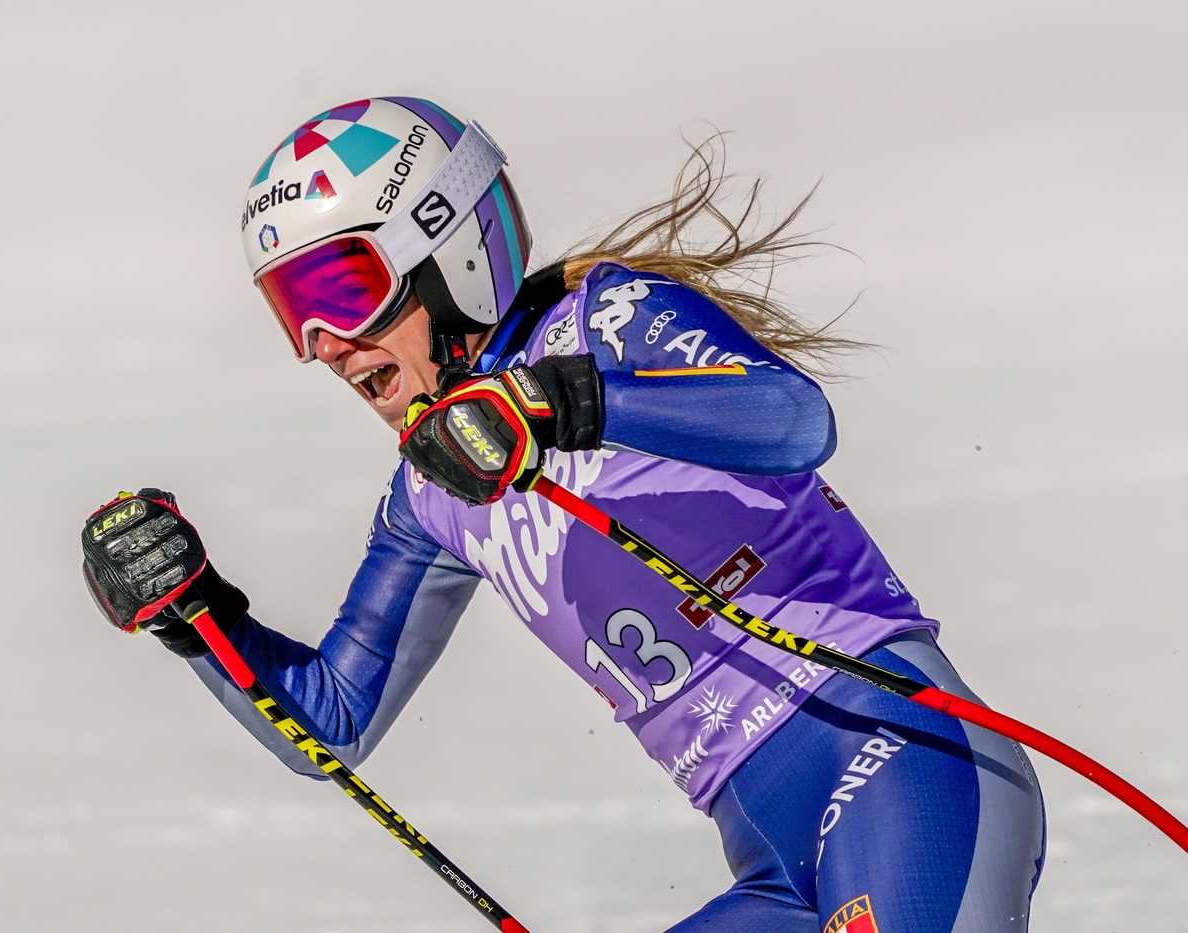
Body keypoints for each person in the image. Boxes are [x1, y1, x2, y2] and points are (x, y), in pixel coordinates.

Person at [82, 97, 1045, 932]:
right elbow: (334, 722)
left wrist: (557, 404)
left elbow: (794, 416)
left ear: (445, 251)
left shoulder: (610, 320)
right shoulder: (431, 493)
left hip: (902, 761)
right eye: (292, 310)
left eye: (341, 289)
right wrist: (200, 616)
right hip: (775, 866)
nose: (324, 344)